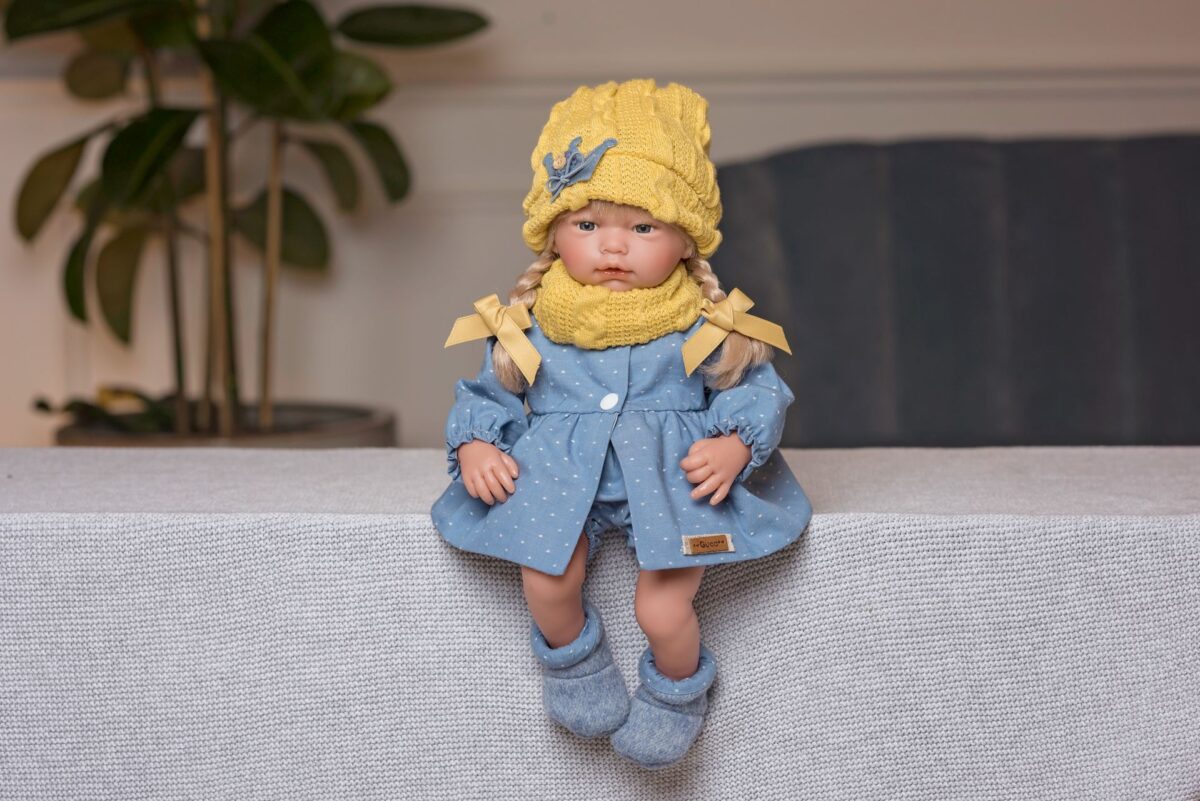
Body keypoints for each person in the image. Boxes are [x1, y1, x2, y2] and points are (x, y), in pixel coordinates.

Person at [431, 78, 813, 769]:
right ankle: (576, 666)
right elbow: (490, 392)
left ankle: (677, 693)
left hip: (673, 485)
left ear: (686, 241)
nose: (614, 248)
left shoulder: (700, 324)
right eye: (587, 226)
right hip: (559, 478)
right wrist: (480, 442)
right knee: (548, 581)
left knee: (662, 611)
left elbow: (756, 390)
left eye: (643, 228)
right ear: (552, 232)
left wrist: (735, 443)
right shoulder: (533, 325)